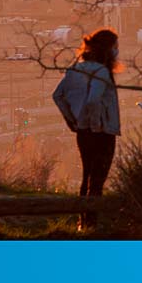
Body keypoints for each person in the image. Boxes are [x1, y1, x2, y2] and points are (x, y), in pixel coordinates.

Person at [53, 28, 121, 226]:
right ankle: (91, 221)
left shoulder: (75, 69)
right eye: (115, 47)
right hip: (101, 131)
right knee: (98, 178)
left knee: (86, 175)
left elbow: (58, 96)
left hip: (83, 132)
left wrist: (72, 120)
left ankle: (82, 220)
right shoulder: (102, 72)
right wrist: (94, 123)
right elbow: (93, 100)